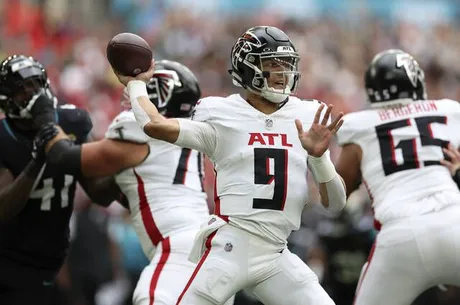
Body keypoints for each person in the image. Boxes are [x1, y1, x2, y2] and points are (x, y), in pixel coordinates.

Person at [113, 26, 346, 305]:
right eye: (272, 65)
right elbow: (155, 124)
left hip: (276, 253)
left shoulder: (306, 115)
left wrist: (319, 159)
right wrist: (136, 84)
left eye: (286, 65)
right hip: (231, 247)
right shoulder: (220, 113)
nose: (283, 74)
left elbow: (335, 203)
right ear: (247, 68)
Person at [32, 60, 233, 305]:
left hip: (178, 251)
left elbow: (63, 156)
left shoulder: (140, 138)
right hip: (207, 252)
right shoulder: (185, 139)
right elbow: (102, 194)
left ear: (161, 95)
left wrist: (45, 119)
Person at [335, 49, 460, 305]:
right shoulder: (449, 111)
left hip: (400, 237)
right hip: (453, 222)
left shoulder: (357, 125)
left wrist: (317, 161)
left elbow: (336, 197)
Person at [0, 55, 119, 305]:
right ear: (6, 98)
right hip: (11, 262)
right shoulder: (4, 137)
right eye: (22, 89)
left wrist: (125, 170)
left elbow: (99, 193)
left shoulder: (70, 121)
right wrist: (38, 160)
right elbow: (3, 209)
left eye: (36, 84)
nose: (33, 94)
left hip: (58, 256)